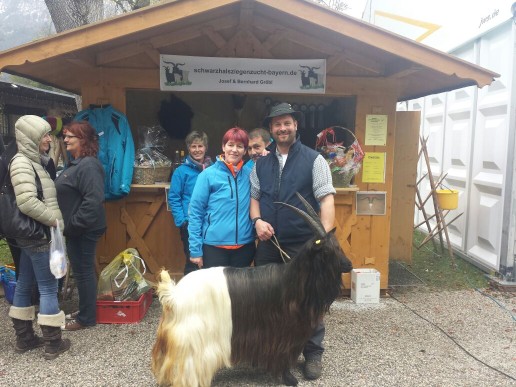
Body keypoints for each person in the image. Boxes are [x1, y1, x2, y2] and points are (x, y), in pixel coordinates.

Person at [249, 103, 336, 381]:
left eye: (287, 123)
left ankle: (312, 353)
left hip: (303, 246)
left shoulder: (315, 160)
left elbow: (327, 199)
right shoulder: (260, 163)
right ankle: (275, 355)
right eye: (277, 124)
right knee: (266, 301)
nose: (282, 128)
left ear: (296, 125)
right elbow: (254, 199)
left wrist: (321, 240)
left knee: (308, 302)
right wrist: (257, 222)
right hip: (268, 245)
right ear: (271, 130)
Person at [7, 115, 70, 360]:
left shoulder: (31, 161)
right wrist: (53, 221)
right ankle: (53, 343)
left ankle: (25, 339)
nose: (48, 139)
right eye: (44, 135)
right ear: (31, 138)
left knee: (24, 283)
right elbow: (26, 201)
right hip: (38, 234)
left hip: (29, 234)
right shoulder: (23, 163)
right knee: (47, 287)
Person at [55, 121, 106, 331]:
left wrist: (74, 225)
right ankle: (86, 309)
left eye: (70, 137)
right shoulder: (76, 163)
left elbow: (93, 200)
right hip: (76, 229)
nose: (65, 140)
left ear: (82, 140)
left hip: (84, 229)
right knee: (81, 269)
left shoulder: (88, 165)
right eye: (65, 136)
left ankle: (87, 318)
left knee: (83, 271)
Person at [188, 127, 255, 269]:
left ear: (245, 150)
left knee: (240, 291)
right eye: (230, 145)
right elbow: (195, 212)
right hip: (214, 248)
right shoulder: (208, 175)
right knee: (214, 291)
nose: (234, 150)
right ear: (223, 147)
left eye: (240, 146)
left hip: (244, 247)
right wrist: (195, 250)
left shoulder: (250, 175)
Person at [167, 131, 212, 276]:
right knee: (193, 261)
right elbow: (174, 197)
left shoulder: (213, 169)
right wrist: (182, 221)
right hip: (190, 223)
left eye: (200, 146)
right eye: (194, 146)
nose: (197, 150)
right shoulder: (181, 171)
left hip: (211, 223)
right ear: (188, 148)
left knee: (210, 262)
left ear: (206, 147)